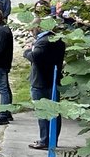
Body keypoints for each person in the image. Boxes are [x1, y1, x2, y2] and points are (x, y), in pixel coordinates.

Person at [25, 22, 66, 150]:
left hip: (40, 81)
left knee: (42, 112)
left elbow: (35, 56)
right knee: (54, 112)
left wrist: (26, 51)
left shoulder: (42, 42)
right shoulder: (59, 40)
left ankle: (44, 140)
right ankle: (53, 139)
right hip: (53, 79)